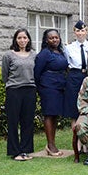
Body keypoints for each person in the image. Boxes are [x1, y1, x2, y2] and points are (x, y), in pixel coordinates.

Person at [2, 29, 37, 161]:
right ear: (15, 40)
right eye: (19, 38)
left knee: (27, 122)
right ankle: (15, 152)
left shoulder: (34, 55)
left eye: (25, 38)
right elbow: (5, 75)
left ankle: (25, 150)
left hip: (30, 90)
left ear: (28, 39)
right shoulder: (8, 55)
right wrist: (12, 84)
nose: (22, 40)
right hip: (14, 90)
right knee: (13, 121)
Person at [34, 29, 69, 157]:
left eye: (56, 37)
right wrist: (41, 87)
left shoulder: (60, 52)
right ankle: (50, 145)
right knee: (49, 114)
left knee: (55, 115)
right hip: (48, 87)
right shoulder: (44, 54)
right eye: (51, 38)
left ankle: (52, 143)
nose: (54, 40)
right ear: (46, 40)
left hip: (60, 86)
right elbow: (37, 73)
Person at [64, 21, 88, 123]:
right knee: (74, 106)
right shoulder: (68, 48)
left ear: (86, 32)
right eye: (78, 31)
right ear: (74, 32)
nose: (80, 33)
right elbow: (67, 63)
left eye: (82, 31)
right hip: (74, 76)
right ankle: (75, 136)